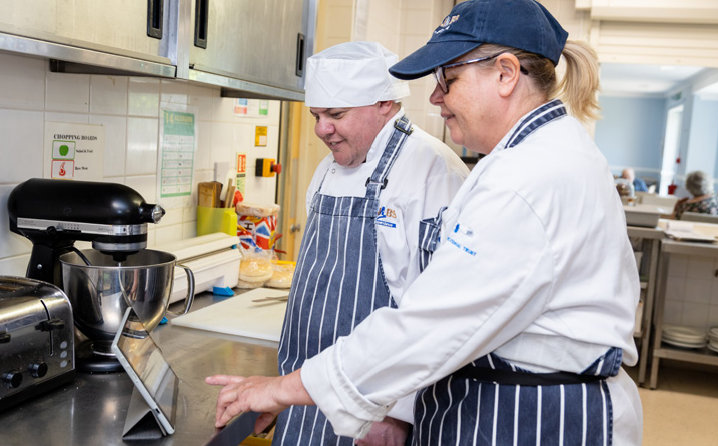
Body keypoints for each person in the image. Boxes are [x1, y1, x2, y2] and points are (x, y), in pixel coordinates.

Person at [206, 1, 643, 444]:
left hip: (537, 418)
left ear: (506, 74)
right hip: (507, 404)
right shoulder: (528, 159)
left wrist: (282, 389)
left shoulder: (529, 178)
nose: (435, 97)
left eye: (447, 80)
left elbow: (428, 325)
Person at [240, 41, 468, 446]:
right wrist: (282, 391)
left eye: (336, 114)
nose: (321, 129)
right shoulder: (327, 170)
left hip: (375, 415)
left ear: (383, 103)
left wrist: (399, 413)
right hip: (305, 398)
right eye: (316, 115)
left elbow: (445, 317)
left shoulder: (434, 171)